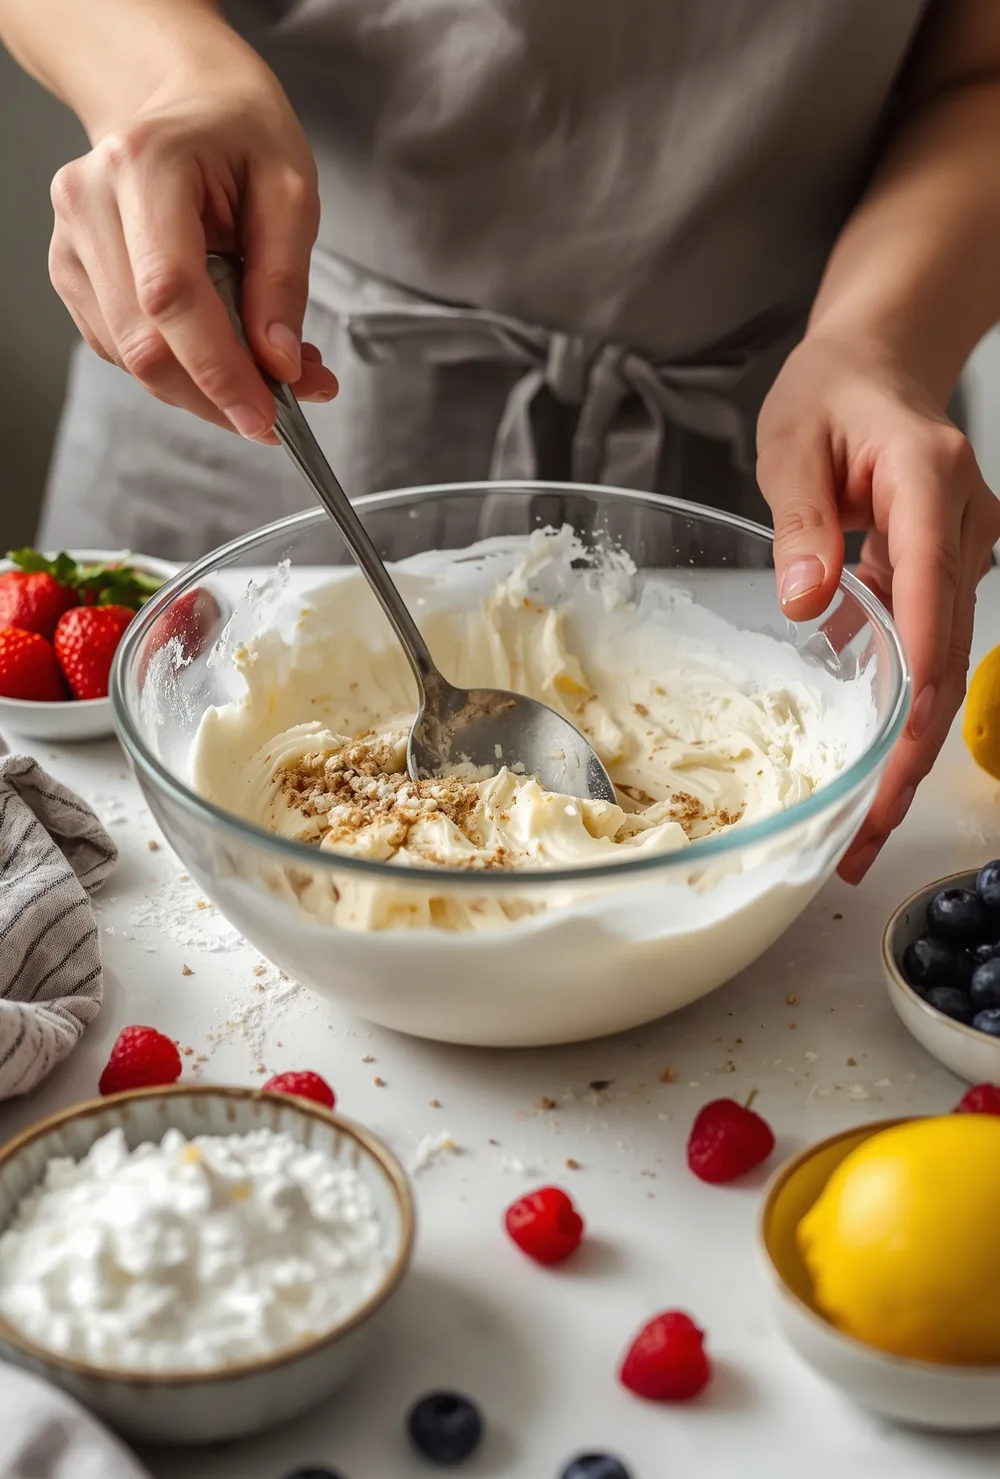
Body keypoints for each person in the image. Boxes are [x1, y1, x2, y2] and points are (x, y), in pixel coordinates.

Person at [2, 0, 999, 884]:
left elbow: (979, 71)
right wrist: (168, 76)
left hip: (767, 416)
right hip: (252, 348)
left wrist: (878, 343)